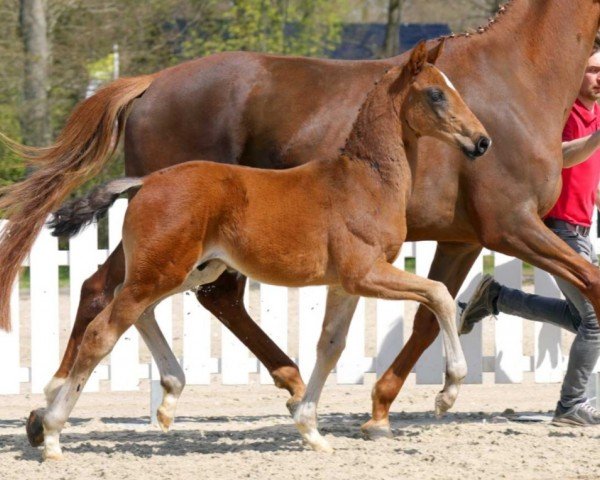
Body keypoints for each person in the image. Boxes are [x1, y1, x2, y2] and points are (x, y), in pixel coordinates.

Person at [459, 49, 600, 427]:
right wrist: (596, 138)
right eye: (591, 70)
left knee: (580, 316)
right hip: (556, 227)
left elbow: (588, 178)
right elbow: (562, 159)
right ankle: (570, 406)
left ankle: (497, 297)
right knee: (595, 322)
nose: (598, 78)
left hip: (582, 228)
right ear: (575, 73)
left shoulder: (595, 112)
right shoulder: (562, 112)